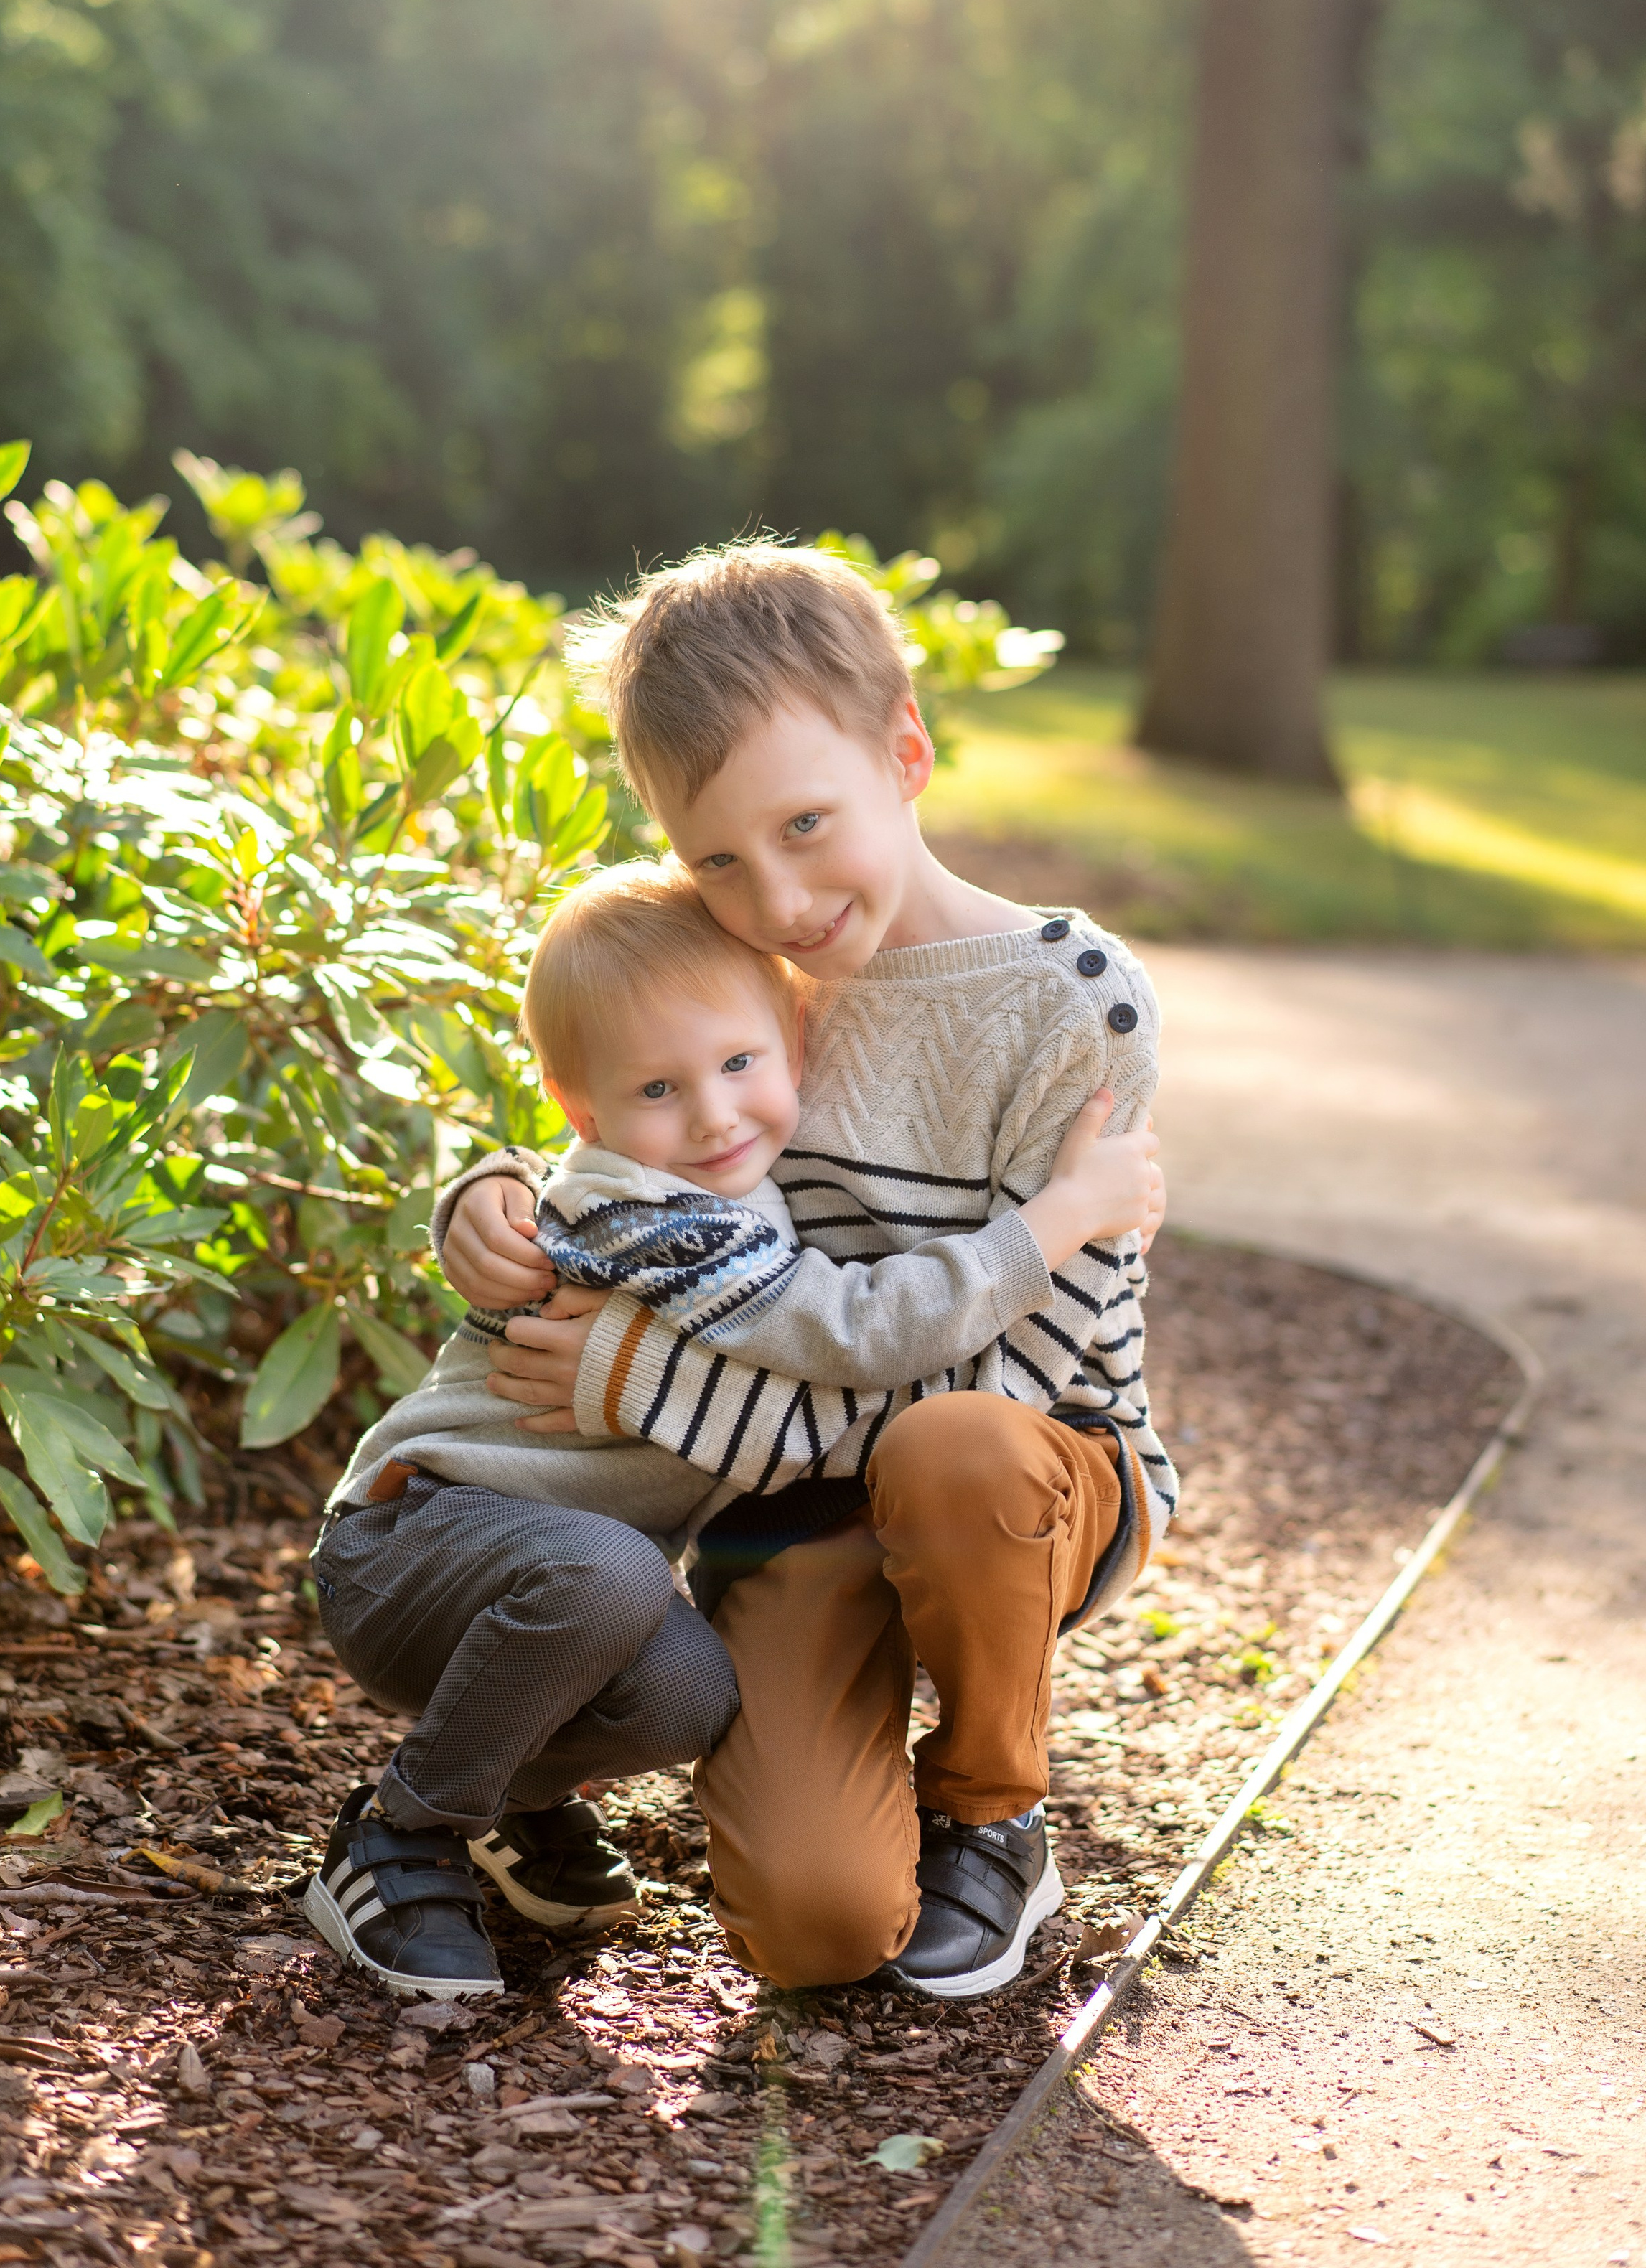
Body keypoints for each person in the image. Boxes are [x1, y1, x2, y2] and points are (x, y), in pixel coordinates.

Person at [441, 542, 1177, 2000]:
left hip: (1026, 1473)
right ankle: (845, 1797)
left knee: (951, 1446)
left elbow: (1020, 1370)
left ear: (905, 753)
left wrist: (650, 1388)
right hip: (792, 1492)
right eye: (717, 859)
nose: (776, 898)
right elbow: (629, 1130)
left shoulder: (1071, 1003)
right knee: (816, 1929)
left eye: (804, 825)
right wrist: (494, 1190)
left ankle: (992, 1810)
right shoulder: (752, 972)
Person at [301, 856, 1159, 2003]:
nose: (712, 1113)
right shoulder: (656, 1220)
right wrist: (1059, 1219)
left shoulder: (732, 1189)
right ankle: (397, 1833)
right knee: (612, 1574)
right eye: (660, 1089)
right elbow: (859, 1328)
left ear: (795, 1045)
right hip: (416, 1542)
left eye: (739, 1064)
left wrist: (494, 1183)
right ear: (583, 1108)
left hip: (544, 1574)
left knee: (688, 1689)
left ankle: (508, 1794)